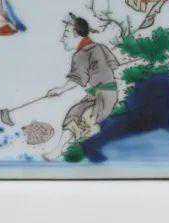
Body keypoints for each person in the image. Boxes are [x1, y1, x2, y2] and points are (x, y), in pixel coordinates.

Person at [43, 13, 120, 159]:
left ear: (76, 35)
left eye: (66, 35)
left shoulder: (81, 54)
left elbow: (77, 79)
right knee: (74, 113)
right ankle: (61, 148)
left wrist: (60, 90)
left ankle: (62, 149)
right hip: (102, 94)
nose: (62, 39)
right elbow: (113, 65)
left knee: (82, 119)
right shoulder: (100, 47)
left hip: (104, 96)